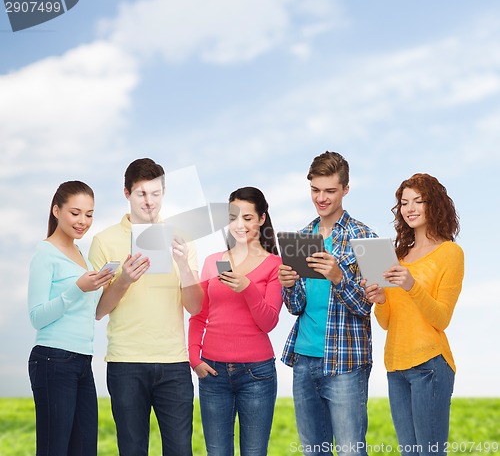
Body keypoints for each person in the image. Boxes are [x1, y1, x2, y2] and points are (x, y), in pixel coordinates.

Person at [88, 158, 203, 456]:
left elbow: (195, 307)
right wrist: (124, 279)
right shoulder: (104, 240)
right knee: (132, 449)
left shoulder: (182, 237)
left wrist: (184, 267)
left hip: (174, 364)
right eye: (141, 194)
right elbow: (98, 310)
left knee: (180, 450)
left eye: (156, 193)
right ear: (126, 193)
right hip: (126, 363)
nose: (149, 202)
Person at [278, 151, 377, 456]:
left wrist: (338, 277)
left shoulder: (366, 237)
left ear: (345, 189)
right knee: (313, 451)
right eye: (315, 190)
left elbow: (367, 305)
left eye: (330, 191)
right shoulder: (302, 237)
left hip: (346, 364)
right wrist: (289, 285)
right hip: (304, 360)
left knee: (349, 451)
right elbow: (296, 307)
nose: (321, 198)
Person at [363, 173, 464, 456]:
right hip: (396, 368)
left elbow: (441, 318)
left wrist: (411, 285)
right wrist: (380, 299)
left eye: (418, 201)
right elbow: (386, 323)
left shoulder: (450, 253)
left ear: (435, 205)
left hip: (430, 366)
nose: (410, 208)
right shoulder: (397, 255)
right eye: (404, 202)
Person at [188, 187, 283, 456]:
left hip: (257, 375)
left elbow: (269, 322)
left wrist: (247, 287)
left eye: (248, 218)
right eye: (233, 217)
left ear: (262, 219)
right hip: (213, 374)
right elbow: (198, 314)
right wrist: (194, 356)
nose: (239, 225)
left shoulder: (275, 264)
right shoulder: (212, 262)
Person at [28, 181, 114, 456]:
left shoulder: (82, 256)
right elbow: (37, 317)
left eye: (89, 214)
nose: (83, 221)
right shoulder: (45, 253)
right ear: (56, 210)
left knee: (85, 449)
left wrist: (120, 281)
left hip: (81, 360)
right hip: (53, 360)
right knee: (55, 449)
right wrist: (77, 288)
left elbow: (95, 311)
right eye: (75, 213)